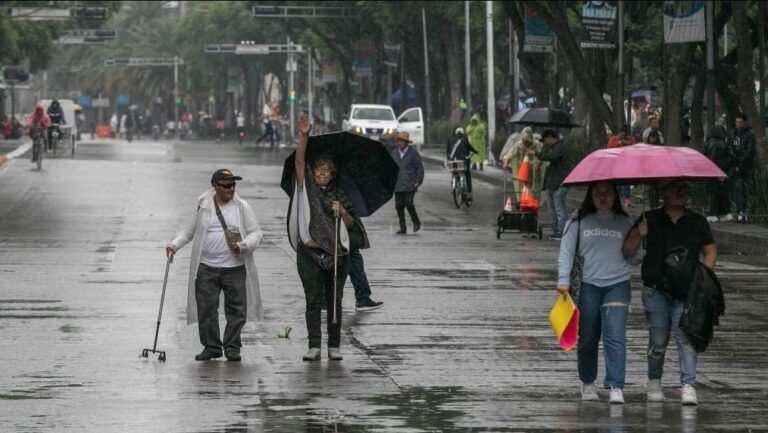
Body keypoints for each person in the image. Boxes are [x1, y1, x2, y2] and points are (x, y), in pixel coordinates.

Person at [622, 180, 717, 405]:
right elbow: (627, 251)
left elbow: (710, 251)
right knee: (657, 340)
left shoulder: (697, 221)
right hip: (656, 290)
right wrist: (638, 233)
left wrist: (702, 277)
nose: (680, 193)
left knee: (686, 338)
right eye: (674, 189)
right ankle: (654, 381)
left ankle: (688, 384)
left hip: (687, 292)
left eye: (683, 190)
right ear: (663, 193)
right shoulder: (649, 219)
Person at [166, 169, 264, 362]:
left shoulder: (242, 207)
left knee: (237, 310)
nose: (231, 189)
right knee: (206, 309)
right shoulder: (203, 207)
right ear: (215, 187)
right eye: (227, 185)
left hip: (234, 267)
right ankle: (212, 347)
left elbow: (256, 233)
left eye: (233, 185)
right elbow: (188, 231)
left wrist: (244, 246)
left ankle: (232, 347)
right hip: (207, 266)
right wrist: (174, 245)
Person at [557, 182, 641, 404]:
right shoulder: (578, 221)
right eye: (598, 193)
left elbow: (634, 258)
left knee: (615, 336)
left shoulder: (625, 222)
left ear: (616, 195)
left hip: (618, 285)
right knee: (588, 337)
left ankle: (616, 385)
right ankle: (587, 382)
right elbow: (566, 251)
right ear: (590, 196)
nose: (603, 197)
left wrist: (640, 237)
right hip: (588, 286)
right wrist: (563, 279)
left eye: (608, 193)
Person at [288, 113, 362, 361]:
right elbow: (299, 163)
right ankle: (314, 345)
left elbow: (352, 224)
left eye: (325, 171)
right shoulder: (305, 187)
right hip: (310, 252)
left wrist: (341, 211)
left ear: (331, 174)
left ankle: (334, 345)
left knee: (335, 300)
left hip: (338, 254)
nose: (321, 174)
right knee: (312, 300)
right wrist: (304, 135)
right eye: (318, 170)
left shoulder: (340, 194)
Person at [536, 129, 569, 240]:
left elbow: (552, 157)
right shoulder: (553, 148)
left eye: (545, 140)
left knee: (559, 208)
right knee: (552, 209)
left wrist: (538, 154)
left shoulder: (560, 147)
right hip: (552, 183)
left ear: (550, 137)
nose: (545, 143)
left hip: (560, 183)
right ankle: (556, 230)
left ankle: (561, 232)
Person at [502, 127, 546, 206]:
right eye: (524, 140)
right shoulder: (519, 145)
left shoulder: (537, 145)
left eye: (527, 140)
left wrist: (539, 163)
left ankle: (533, 206)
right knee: (521, 191)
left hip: (534, 173)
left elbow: (543, 156)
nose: (525, 142)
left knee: (534, 192)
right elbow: (510, 154)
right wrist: (506, 162)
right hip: (522, 172)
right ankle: (522, 205)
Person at [391, 131, 424, 235]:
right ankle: (402, 227)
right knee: (399, 206)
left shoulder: (413, 153)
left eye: (402, 141)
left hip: (410, 184)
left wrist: (418, 181)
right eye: (398, 140)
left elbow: (420, 168)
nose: (400, 143)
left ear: (406, 143)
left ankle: (416, 222)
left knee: (409, 203)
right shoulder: (394, 153)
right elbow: (390, 168)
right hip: (398, 184)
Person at [728, 113, 757, 223]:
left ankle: (743, 211)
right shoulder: (732, 134)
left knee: (744, 187)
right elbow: (729, 147)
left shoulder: (749, 134)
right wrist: (734, 159)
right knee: (736, 188)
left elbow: (750, 150)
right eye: (737, 122)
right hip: (735, 165)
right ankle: (739, 210)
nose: (738, 124)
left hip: (746, 166)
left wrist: (741, 161)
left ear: (745, 122)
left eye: (740, 122)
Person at [703, 125, 733, 222]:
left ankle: (713, 213)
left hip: (711, 172)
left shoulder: (708, 144)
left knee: (713, 194)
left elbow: (705, 158)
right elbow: (730, 158)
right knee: (723, 194)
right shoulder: (725, 144)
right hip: (723, 173)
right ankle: (725, 213)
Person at [607, 125, 635, 207]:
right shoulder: (614, 139)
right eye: (622, 134)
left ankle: (626, 198)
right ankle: (616, 198)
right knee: (617, 181)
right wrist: (618, 143)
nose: (623, 136)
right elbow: (609, 148)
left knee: (626, 181)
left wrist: (628, 144)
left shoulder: (630, 139)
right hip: (616, 162)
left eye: (625, 134)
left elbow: (634, 148)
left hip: (627, 162)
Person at [446, 127, 477, 202]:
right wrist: (476, 152)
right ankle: (469, 193)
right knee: (467, 175)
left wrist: (449, 159)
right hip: (462, 162)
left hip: (453, 163)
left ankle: (453, 186)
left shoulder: (450, 140)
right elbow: (470, 149)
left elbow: (448, 153)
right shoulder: (464, 140)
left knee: (454, 173)